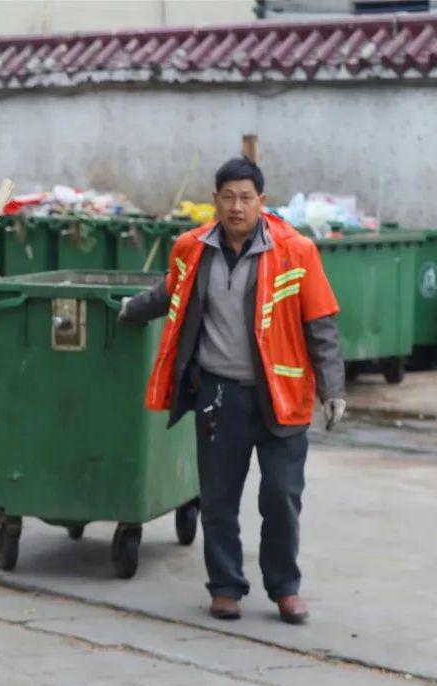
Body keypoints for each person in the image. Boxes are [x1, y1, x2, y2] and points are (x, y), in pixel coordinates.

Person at [119, 158, 346, 624]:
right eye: (228, 197)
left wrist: (333, 389)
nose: (237, 207)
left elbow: (320, 323)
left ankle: (285, 588)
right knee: (219, 498)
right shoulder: (191, 249)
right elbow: (170, 293)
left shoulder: (295, 251)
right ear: (216, 200)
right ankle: (225, 587)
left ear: (262, 202)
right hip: (218, 395)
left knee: (281, 497)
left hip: (282, 396)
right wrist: (129, 310)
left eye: (246, 198)